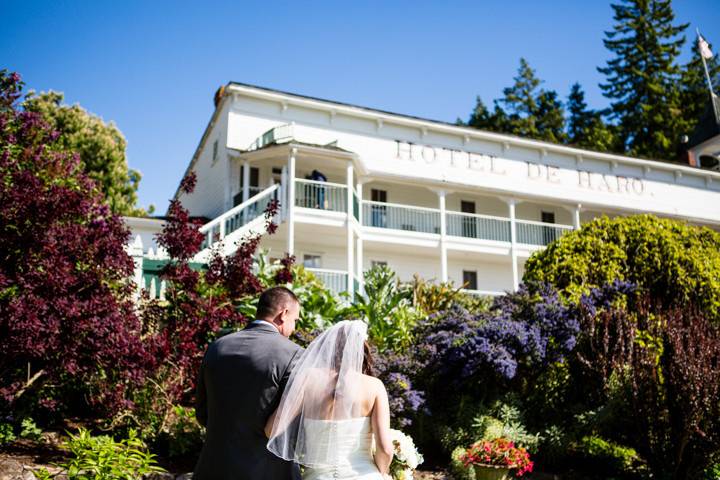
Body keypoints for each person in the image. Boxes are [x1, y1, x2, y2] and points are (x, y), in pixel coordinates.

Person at [193, 287, 304, 480]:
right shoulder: (293, 354)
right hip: (268, 470)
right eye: (295, 320)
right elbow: (290, 424)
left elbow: (202, 414)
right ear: (283, 314)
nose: (294, 328)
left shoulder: (217, 347)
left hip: (214, 468)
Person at [266, 320, 394, 480]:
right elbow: (385, 449)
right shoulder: (374, 386)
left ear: (329, 347)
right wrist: (382, 473)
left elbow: (272, 429)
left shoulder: (306, 379)